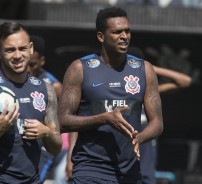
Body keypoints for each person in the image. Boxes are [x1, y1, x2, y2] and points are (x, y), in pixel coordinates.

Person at [58, 7, 164, 184]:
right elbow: (62, 121)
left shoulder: (144, 69)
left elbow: (158, 124)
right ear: (101, 36)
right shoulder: (79, 69)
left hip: (129, 169)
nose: (124, 36)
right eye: (117, 32)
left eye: (127, 31)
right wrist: (103, 118)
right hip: (90, 168)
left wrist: (139, 138)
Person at [0, 21, 62, 183]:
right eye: (10, 50)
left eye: (22, 49)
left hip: (31, 180)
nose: (17, 55)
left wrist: (46, 132)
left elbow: (56, 147)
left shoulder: (46, 89)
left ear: (31, 48)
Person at [128, 46, 192, 184]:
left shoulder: (147, 90)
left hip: (144, 145)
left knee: (144, 175)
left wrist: (149, 68)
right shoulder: (112, 87)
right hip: (123, 141)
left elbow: (185, 81)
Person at [28, 34, 67, 183]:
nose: (29, 70)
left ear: (42, 61)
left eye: (33, 65)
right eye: (27, 64)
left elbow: (67, 117)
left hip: (46, 145)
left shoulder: (54, 86)